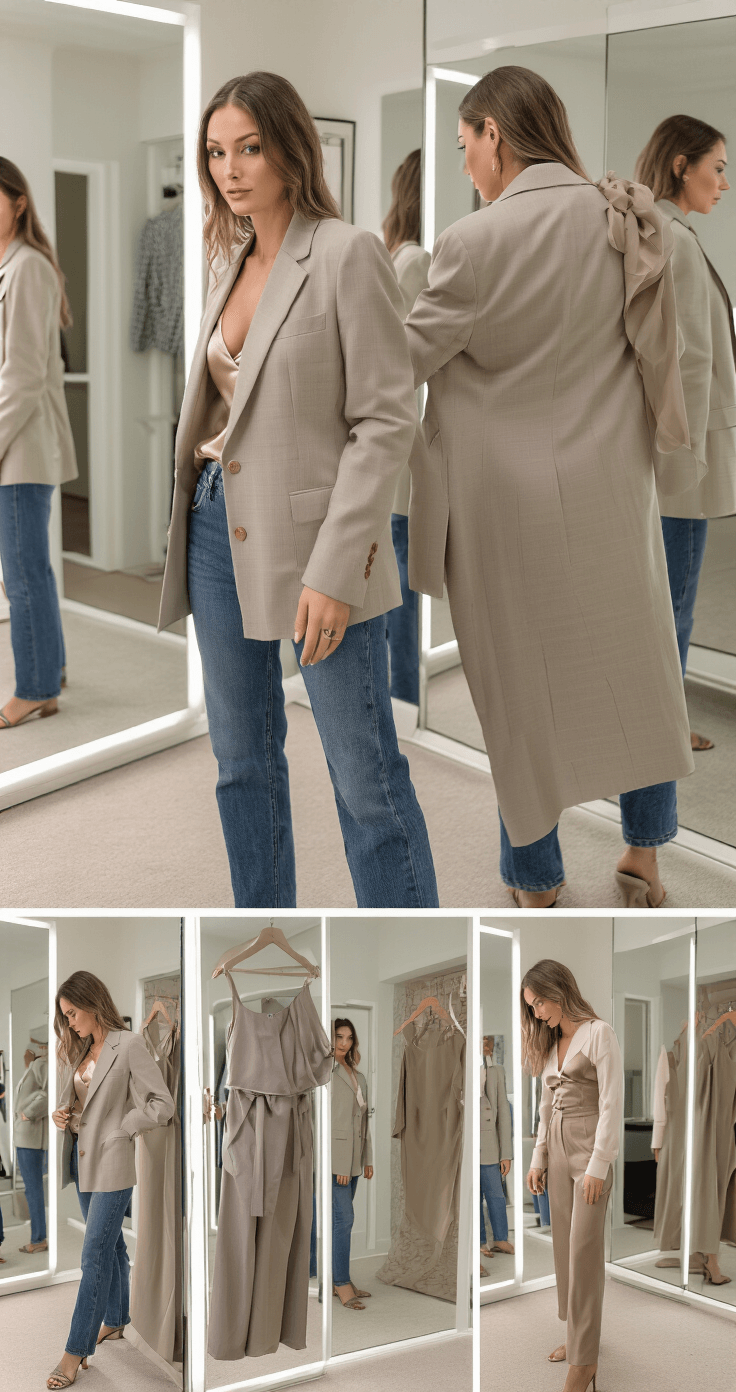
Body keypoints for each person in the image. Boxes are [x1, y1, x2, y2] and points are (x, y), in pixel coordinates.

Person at [404, 65, 695, 910]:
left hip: (506, 506)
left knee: (516, 686)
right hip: (613, 492)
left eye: (466, 147)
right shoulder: (629, 222)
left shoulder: (473, 242)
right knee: (638, 669)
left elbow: (404, 360)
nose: (468, 168)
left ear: (496, 131)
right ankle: (643, 856)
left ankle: (536, 876)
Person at [158, 72, 437, 910]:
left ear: (289, 149)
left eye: (249, 147)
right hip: (215, 524)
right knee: (241, 761)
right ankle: (268, 930)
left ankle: (408, 925)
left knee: (365, 776)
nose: (230, 169)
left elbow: (386, 421)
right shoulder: (231, 256)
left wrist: (336, 570)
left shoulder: (348, 252)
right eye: (215, 152)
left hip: (323, 546)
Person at [636, 115, 736, 753]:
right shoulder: (675, 240)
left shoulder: (661, 234)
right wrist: (688, 461)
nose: (724, 181)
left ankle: (658, 728)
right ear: (682, 164)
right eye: (718, 166)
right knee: (673, 603)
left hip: (667, 452)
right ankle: (662, 737)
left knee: (664, 601)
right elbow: (690, 363)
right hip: (682, 456)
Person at [47, 972, 175, 1390]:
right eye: (65, 1017)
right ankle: (118, 1319)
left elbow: (163, 1104)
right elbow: (83, 1103)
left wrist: (125, 1126)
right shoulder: (83, 1047)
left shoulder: (130, 1044)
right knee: (112, 1244)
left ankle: (74, 1350)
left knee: (93, 1257)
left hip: (115, 1162)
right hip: (83, 1161)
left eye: (72, 1014)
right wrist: (63, 1116)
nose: (70, 1023)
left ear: (91, 1002)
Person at [0, 158, 77, 729]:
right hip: (16, 444)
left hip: (19, 449)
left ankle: (34, 688)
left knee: (23, 574)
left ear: (18, 202)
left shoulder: (27, 268)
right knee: (31, 570)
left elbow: (21, 377)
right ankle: (50, 673)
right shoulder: (11, 267)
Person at [522, 959, 623, 1392]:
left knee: (583, 1252)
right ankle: (576, 1336)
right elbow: (546, 1110)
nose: (538, 1012)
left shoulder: (599, 1033)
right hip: (557, 1148)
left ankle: (583, 1364)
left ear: (560, 990)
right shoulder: (548, 1045)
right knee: (563, 1248)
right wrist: (538, 1158)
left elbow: (612, 1103)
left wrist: (599, 1164)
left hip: (588, 1150)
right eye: (531, 1007)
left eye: (540, 1002)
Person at [382, 149, 430, 705]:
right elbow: (410, 360)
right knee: (403, 584)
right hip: (406, 451)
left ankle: (402, 693)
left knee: (401, 580)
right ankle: (404, 697)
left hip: (402, 449)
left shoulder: (400, 255)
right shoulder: (415, 260)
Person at [331, 1018, 373, 1311]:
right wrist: (341, 1165)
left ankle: (341, 1277)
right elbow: (328, 1124)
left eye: (348, 1038)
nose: (344, 1043)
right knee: (343, 1221)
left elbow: (364, 1121)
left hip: (356, 1159)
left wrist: (367, 1159)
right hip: (338, 1162)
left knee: (342, 1221)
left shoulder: (359, 1075)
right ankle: (341, 1282)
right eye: (338, 1037)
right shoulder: (325, 1073)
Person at [14, 1027, 49, 1254]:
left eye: (33, 1042)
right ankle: (39, 1237)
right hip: (26, 1136)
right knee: (32, 1189)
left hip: (30, 1136)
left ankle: (38, 1239)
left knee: (33, 1189)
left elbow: (48, 1094)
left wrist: (29, 1113)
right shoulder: (35, 1064)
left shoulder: (41, 1063)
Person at [480, 1035, 513, 1258]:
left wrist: (506, 1154)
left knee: (496, 1195)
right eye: (483, 1041)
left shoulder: (497, 1071)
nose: (487, 1046)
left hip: (491, 1144)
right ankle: (480, 1242)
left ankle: (501, 1239)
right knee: (474, 1198)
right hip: (470, 1144)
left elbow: (504, 1115)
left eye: (489, 1042)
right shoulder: (463, 1066)